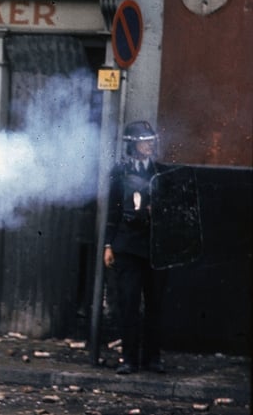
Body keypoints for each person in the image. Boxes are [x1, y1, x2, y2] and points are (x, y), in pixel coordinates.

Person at [103, 120, 169, 375]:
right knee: (129, 304)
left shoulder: (161, 173)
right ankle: (129, 359)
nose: (149, 144)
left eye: (151, 140)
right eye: (144, 141)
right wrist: (109, 244)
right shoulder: (119, 173)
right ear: (132, 145)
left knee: (155, 304)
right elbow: (113, 209)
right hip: (128, 247)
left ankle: (153, 359)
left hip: (156, 249)